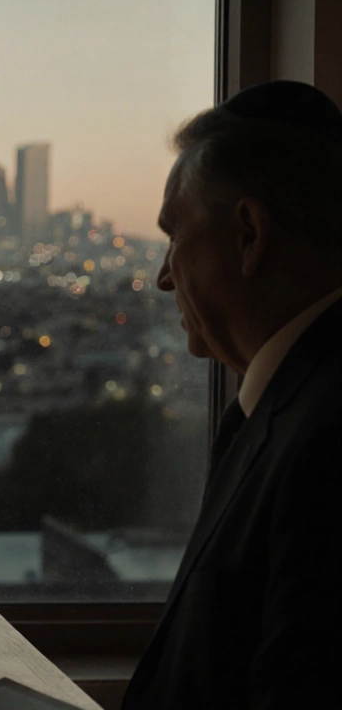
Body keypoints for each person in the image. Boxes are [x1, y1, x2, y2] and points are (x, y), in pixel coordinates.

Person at [123, 80, 342, 710]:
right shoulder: (288, 403)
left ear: (249, 234)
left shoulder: (322, 437)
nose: (165, 278)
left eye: (175, 236)